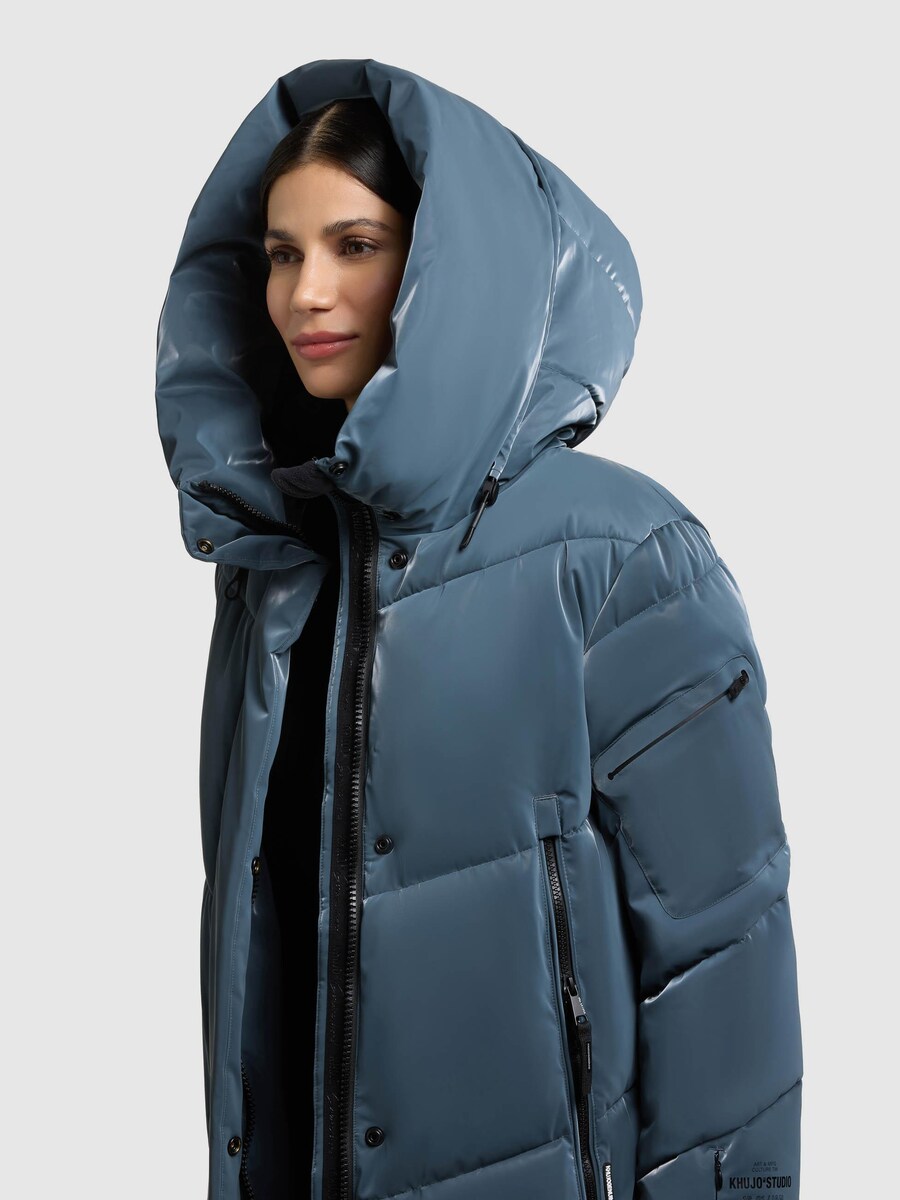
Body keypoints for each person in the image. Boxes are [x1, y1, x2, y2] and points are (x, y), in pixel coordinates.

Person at [156, 59, 803, 1200]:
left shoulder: (622, 557)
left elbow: (723, 962)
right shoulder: (275, 570)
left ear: (447, 271)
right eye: (282, 254)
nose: (307, 293)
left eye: (356, 245)